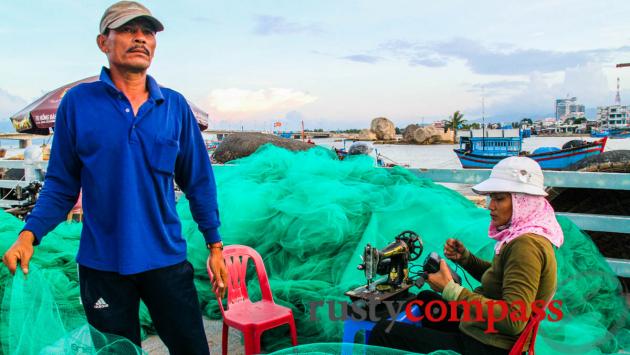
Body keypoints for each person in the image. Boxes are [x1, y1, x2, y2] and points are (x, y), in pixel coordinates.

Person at [1, 2, 227, 353]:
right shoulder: (77, 103)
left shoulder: (175, 107)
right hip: (102, 264)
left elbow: (199, 182)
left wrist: (215, 246)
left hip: (166, 261)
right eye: (127, 29)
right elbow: (61, 185)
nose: (140, 38)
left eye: (148, 32)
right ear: (102, 42)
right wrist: (29, 235)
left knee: (193, 349)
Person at [368, 156, 563, 355]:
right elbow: (504, 278)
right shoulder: (527, 234)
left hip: (489, 345)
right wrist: (467, 260)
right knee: (426, 299)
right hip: (486, 331)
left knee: (381, 332)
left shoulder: (525, 245)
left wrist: (451, 290)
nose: (490, 206)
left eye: (499, 198)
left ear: (523, 202)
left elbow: (513, 320)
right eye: (491, 198)